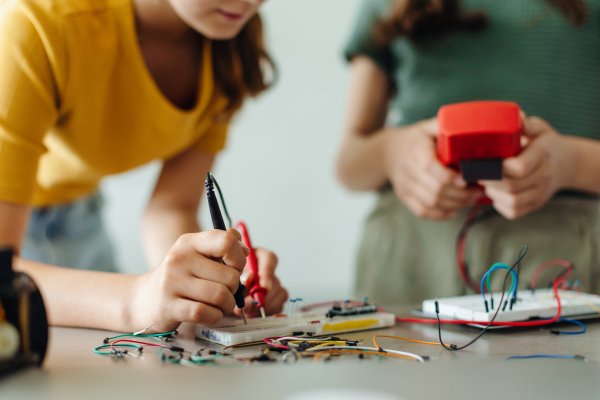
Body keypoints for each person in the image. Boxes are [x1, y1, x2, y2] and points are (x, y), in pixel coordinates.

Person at [0, 0, 288, 333]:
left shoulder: (228, 48)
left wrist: (209, 281)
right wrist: (136, 300)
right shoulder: (40, 25)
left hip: (80, 218)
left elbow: (171, 206)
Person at [336, 0, 600, 303]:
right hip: (412, 261)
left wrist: (570, 163)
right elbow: (348, 162)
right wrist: (390, 152)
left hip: (560, 255)